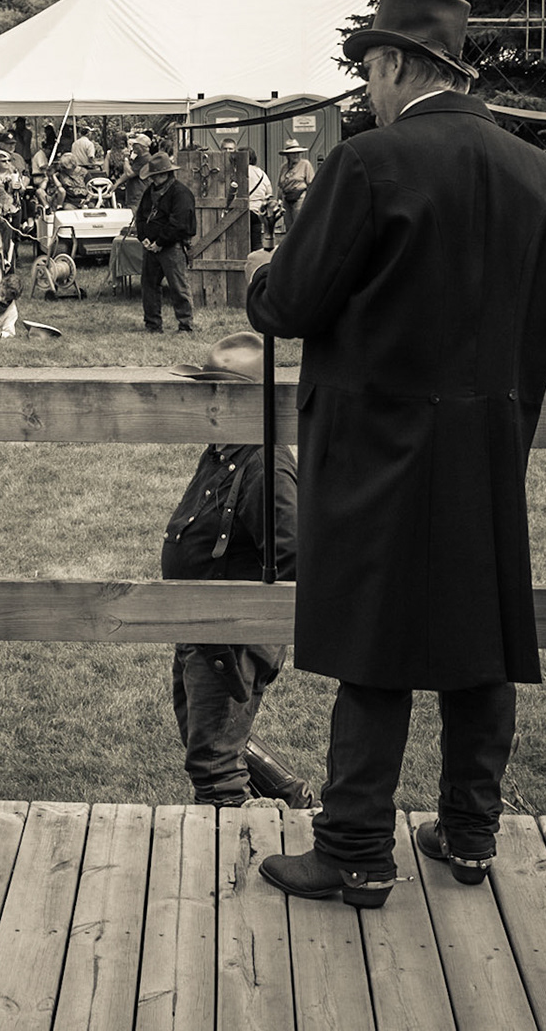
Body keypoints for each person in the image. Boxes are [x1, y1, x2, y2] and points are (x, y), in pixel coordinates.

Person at [244, 0, 546, 908]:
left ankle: (356, 849)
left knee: (376, 642)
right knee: (484, 637)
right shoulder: (545, 178)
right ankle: (470, 837)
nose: (367, 89)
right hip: (487, 443)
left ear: (397, 65)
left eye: (368, 71)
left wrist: (259, 281)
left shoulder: (370, 164)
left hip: (374, 443)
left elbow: (290, 305)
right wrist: (503, 388)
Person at [162, 332, 317, 809]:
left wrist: (249, 627)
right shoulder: (224, 449)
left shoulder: (265, 467)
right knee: (204, 737)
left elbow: (293, 557)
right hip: (203, 625)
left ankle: (226, 860)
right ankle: (292, 795)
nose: (207, 400)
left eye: (217, 390)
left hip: (233, 634)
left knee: (212, 769)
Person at [135, 152, 196, 334]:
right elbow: (140, 216)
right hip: (151, 246)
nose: (153, 180)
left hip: (172, 247)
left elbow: (179, 223)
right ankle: (152, 324)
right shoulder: (149, 192)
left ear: (164, 174)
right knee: (149, 286)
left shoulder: (181, 193)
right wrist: (143, 237)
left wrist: (160, 242)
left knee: (178, 287)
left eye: (155, 176)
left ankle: (185, 325)